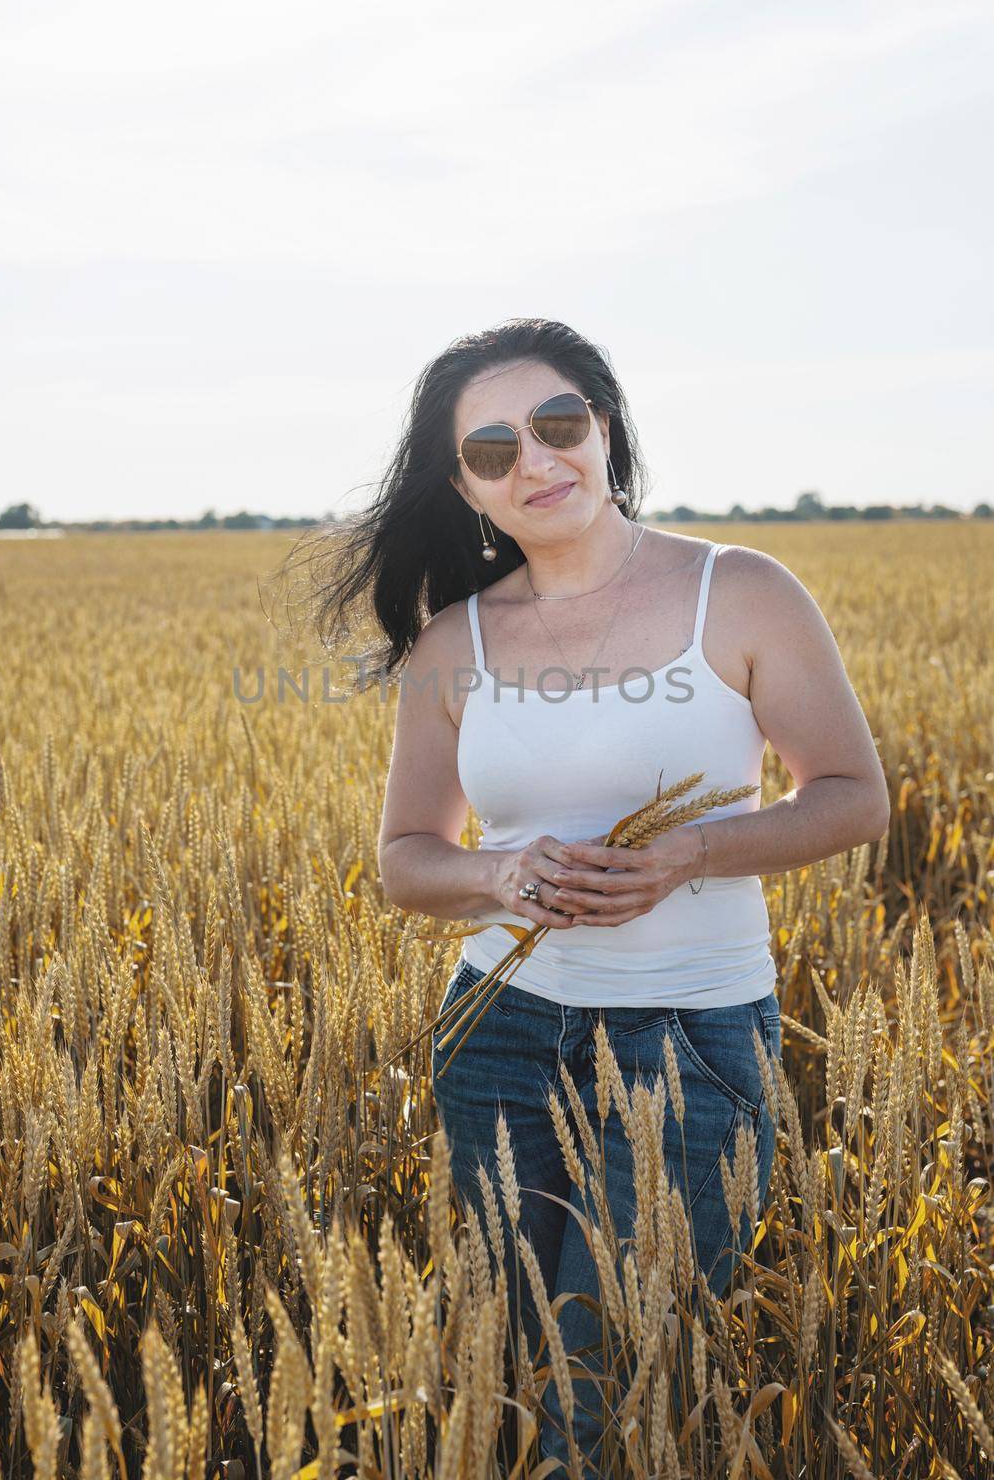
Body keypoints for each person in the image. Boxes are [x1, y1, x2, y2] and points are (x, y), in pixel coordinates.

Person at [311, 317, 890, 1471]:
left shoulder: (741, 591)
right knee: (512, 1369)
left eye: (558, 423)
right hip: (498, 1034)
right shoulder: (453, 642)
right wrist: (497, 872)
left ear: (606, 428)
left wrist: (690, 854)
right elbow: (405, 858)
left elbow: (853, 796)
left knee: (604, 1389)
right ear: (466, 487)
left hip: (694, 1046)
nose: (536, 459)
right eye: (492, 449)